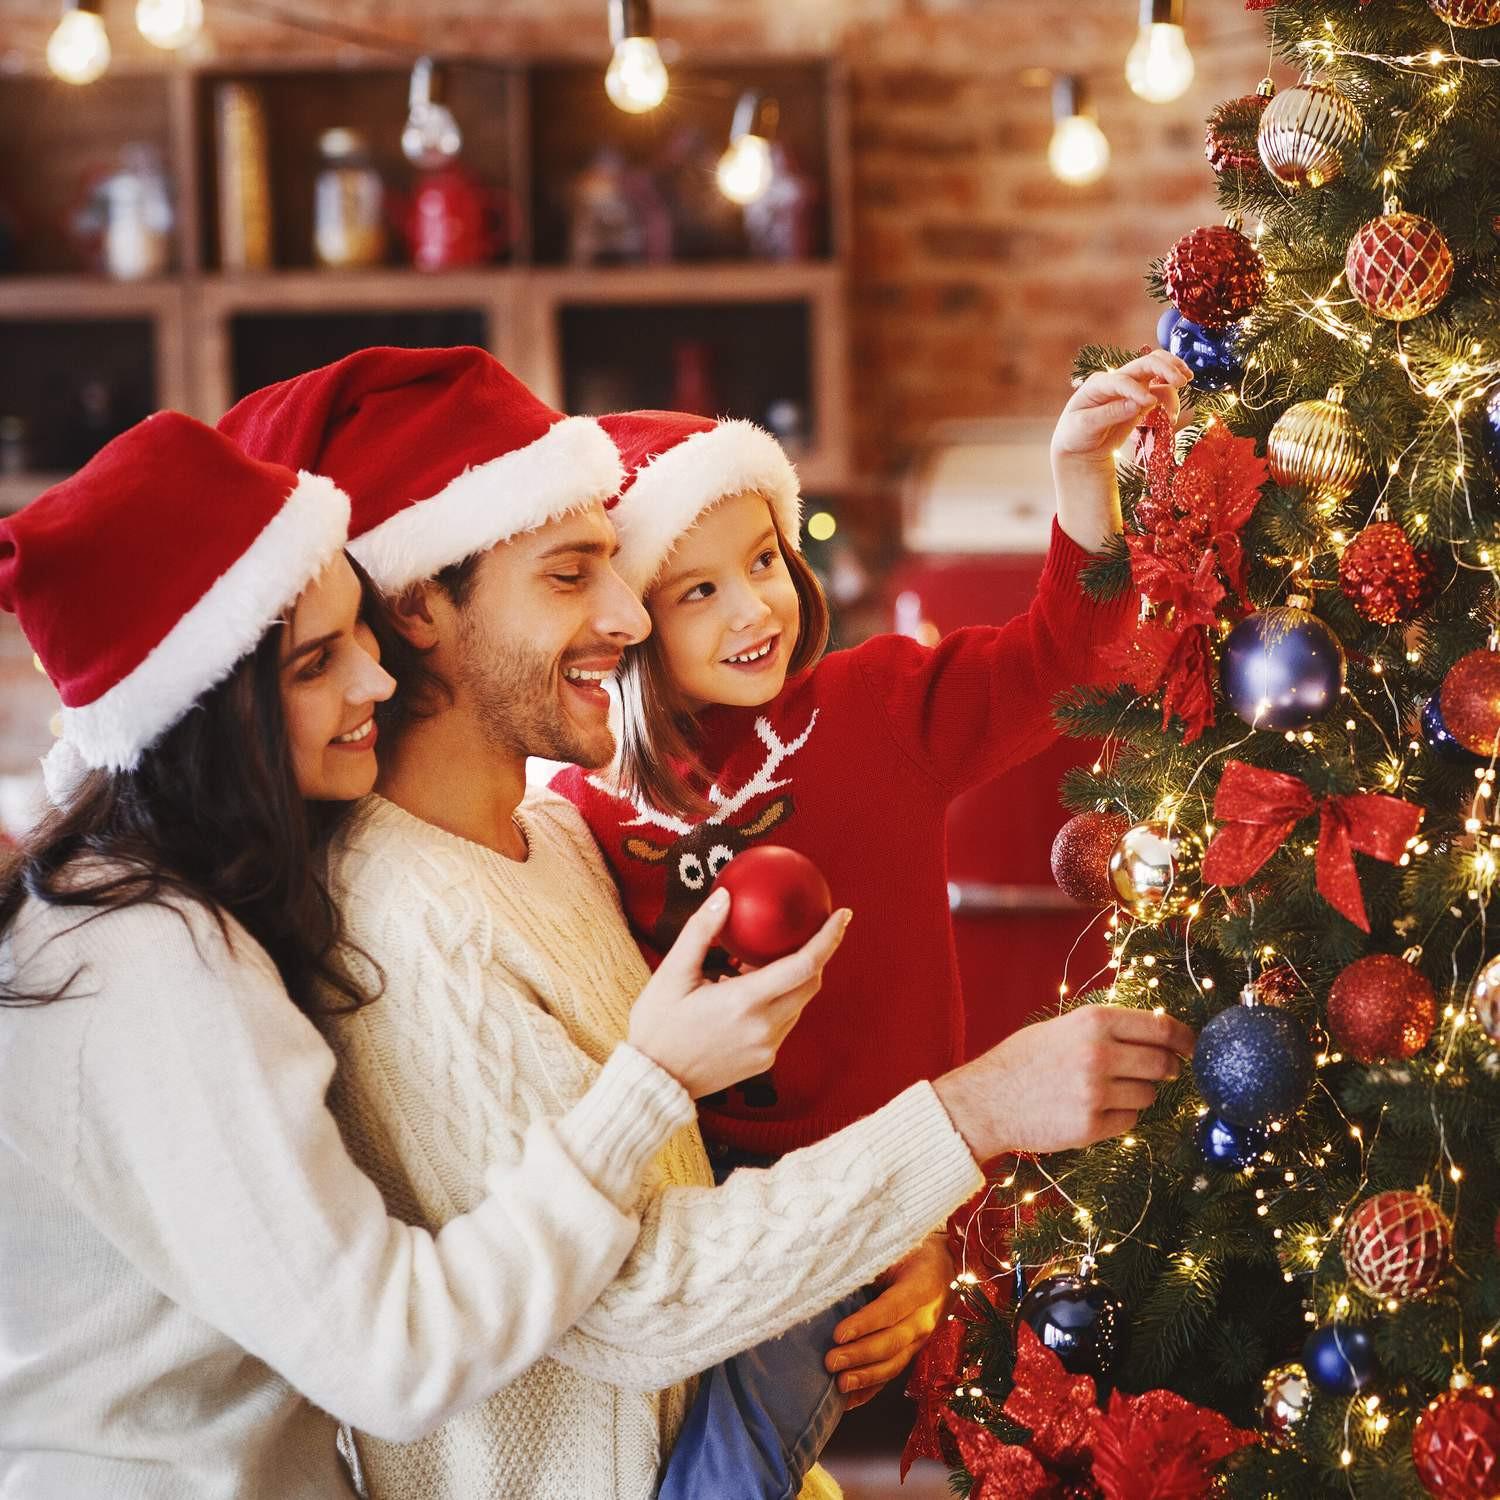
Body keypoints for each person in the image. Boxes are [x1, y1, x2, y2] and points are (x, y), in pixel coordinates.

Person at [222, 344, 1195, 1500]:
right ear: (424, 604)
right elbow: (638, 1302)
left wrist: (910, 1227)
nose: (624, 616)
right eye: (573, 574)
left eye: (619, 573)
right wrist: (966, 1119)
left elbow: (688, 1195)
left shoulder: (556, 843)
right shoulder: (435, 913)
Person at [0, 412, 831, 1500]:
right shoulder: (151, 962)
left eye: (361, 637)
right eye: (316, 663)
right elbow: (396, 1351)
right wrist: (654, 1082)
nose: (377, 682)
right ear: (210, 716)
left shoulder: (183, 909)